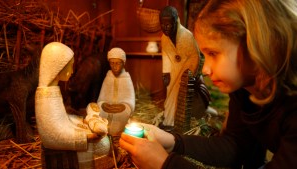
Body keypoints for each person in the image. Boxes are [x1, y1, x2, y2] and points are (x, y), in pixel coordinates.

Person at [119, 0, 297, 168]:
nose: (205, 70)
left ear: (257, 44)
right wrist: (172, 141)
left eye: (213, 53)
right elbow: (234, 145)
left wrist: (165, 164)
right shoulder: (245, 89)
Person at [35, 42, 113, 168]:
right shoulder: (45, 96)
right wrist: (86, 136)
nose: (72, 71)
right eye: (69, 66)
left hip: (66, 131)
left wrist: (81, 121)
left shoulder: (52, 89)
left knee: (101, 132)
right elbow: (51, 136)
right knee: (103, 144)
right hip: (64, 138)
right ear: (57, 67)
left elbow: (61, 120)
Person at [158, 6, 215, 128]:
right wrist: (166, 72)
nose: (166, 27)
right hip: (174, 68)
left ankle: (174, 122)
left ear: (175, 22)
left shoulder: (186, 36)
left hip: (187, 68)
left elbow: (195, 56)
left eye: (169, 24)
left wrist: (189, 74)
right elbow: (166, 56)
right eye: (163, 24)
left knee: (179, 94)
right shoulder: (164, 39)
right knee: (170, 94)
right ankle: (169, 120)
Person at [97, 47, 135, 136]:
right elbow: (101, 98)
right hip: (107, 109)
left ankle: (117, 134)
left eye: (118, 63)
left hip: (121, 110)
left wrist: (125, 106)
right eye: (112, 63)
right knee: (101, 112)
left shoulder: (126, 78)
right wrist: (102, 104)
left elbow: (131, 100)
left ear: (123, 63)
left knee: (121, 115)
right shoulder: (108, 77)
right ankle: (103, 132)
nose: (115, 67)